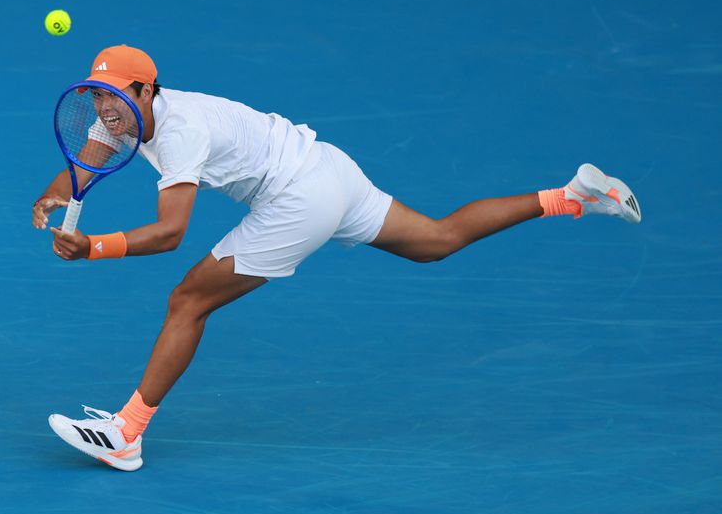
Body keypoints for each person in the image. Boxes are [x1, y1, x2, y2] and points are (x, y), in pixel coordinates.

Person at [33, 44, 642, 471]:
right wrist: (58, 192)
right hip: (329, 168)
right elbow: (90, 153)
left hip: (299, 197)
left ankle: (126, 436)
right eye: (98, 98)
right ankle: (571, 197)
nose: (105, 111)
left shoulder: (184, 130)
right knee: (435, 241)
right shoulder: (124, 116)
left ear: (147, 89)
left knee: (188, 299)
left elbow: (170, 233)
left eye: (115, 99)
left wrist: (93, 248)